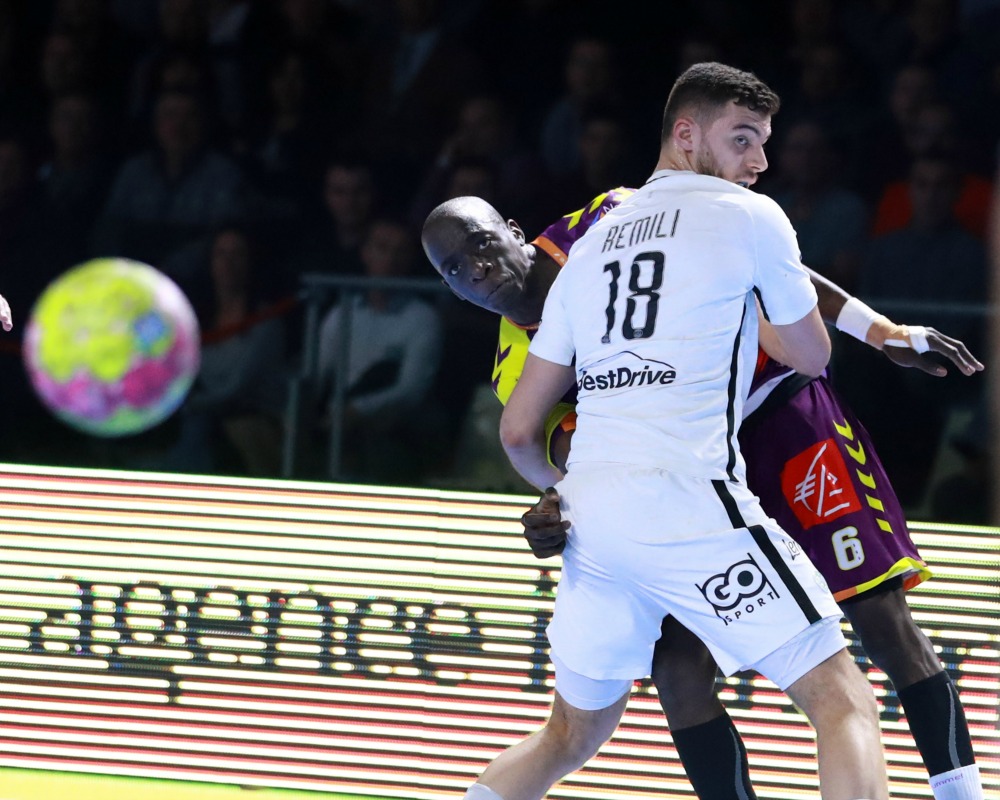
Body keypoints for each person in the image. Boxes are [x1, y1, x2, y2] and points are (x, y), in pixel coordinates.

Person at [422, 64, 985, 800]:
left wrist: (880, 331)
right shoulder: (517, 355)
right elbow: (550, 443)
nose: (477, 270)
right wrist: (558, 498)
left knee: (878, 616)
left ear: (514, 232)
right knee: (688, 674)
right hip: (688, 472)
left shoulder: (605, 225)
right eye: (454, 269)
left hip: (778, 418)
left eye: (480, 246)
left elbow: (783, 276)